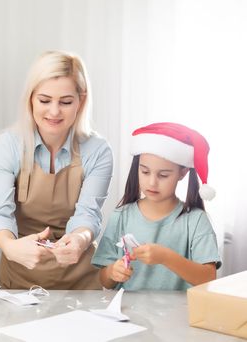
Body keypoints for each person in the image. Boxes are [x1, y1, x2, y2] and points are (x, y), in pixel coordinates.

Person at [0, 50, 113, 289]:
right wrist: (11, 248)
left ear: (81, 101)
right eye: (44, 100)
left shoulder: (98, 150)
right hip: (20, 277)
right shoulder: (9, 144)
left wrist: (78, 240)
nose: (54, 112)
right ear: (30, 99)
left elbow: (89, 214)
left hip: (80, 279)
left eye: (65, 102)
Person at [92, 122, 221, 290]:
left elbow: (208, 278)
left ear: (183, 173)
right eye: (145, 172)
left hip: (176, 314)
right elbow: (104, 280)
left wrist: (166, 257)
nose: (152, 182)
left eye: (163, 175)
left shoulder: (196, 220)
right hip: (127, 314)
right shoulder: (121, 216)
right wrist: (112, 272)